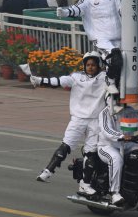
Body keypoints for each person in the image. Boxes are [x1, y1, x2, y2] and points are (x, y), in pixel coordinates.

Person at [31, 51, 106, 196]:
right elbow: (58, 81)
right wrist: (40, 80)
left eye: (94, 65)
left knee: (91, 153)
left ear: (99, 66)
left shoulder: (104, 78)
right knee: (66, 145)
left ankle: (85, 184)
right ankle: (47, 171)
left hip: (96, 121)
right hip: (78, 119)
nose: (90, 67)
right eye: (88, 65)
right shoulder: (76, 77)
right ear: (84, 66)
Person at [56, 0, 122, 95]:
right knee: (115, 57)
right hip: (101, 38)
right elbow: (76, 9)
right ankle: (109, 82)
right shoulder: (87, 0)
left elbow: (123, 9)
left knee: (122, 64)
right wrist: (64, 12)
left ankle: (117, 98)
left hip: (118, 37)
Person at [97, 94, 138, 206]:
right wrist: (121, 136)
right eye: (117, 98)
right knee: (116, 159)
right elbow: (107, 130)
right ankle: (114, 193)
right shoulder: (105, 113)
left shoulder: (130, 111)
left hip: (127, 145)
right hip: (108, 146)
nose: (121, 100)